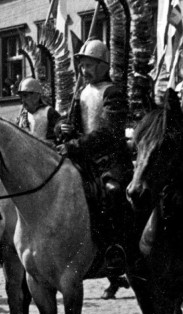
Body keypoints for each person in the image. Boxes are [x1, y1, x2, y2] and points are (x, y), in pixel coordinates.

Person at [56, 39, 132, 272]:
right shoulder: (81, 93)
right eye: (82, 65)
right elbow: (72, 125)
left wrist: (77, 144)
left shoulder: (113, 93)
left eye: (89, 65)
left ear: (103, 66)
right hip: (85, 160)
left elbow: (109, 132)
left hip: (110, 161)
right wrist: (63, 129)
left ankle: (116, 246)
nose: (84, 70)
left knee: (112, 192)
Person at [15, 78, 60, 144]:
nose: (23, 100)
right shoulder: (22, 116)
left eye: (25, 96)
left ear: (36, 96)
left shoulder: (49, 112)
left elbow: (55, 139)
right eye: (21, 97)